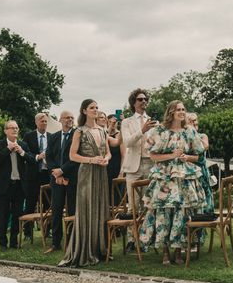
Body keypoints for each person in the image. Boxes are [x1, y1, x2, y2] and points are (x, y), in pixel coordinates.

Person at [140, 101, 206, 265]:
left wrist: (186, 157)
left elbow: (197, 156)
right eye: (178, 109)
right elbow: (153, 156)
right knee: (164, 213)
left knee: (182, 213)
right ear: (171, 112)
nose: (182, 112)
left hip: (184, 177)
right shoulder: (159, 131)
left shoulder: (189, 131)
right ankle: (165, 252)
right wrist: (172, 155)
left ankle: (178, 252)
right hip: (164, 178)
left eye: (184, 109)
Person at [59, 99, 111, 267]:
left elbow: (108, 152)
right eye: (92, 108)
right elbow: (72, 156)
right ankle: (85, 250)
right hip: (87, 173)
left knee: (101, 207)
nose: (95, 110)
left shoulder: (103, 130)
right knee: (87, 209)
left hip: (101, 172)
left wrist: (106, 160)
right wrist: (91, 160)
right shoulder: (79, 131)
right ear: (84, 111)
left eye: (97, 107)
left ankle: (100, 249)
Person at [120, 88, 157, 251]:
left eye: (145, 99)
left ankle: (145, 239)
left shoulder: (153, 122)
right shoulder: (127, 122)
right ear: (133, 103)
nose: (143, 102)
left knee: (148, 204)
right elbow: (127, 142)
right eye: (140, 99)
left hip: (150, 164)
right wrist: (142, 131)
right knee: (133, 205)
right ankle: (131, 239)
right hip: (133, 167)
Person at [0, 120, 35, 250]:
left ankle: (14, 242)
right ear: (5, 131)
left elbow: (32, 161)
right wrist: (7, 149)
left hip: (19, 186)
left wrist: (22, 152)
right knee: (3, 216)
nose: (15, 130)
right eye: (12, 128)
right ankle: (3, 244)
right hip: (3, 186)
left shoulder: (23, 145)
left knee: (17, 215)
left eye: (16, 128)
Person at [45, 110, 78, 253]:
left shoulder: (77, 135)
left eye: (71, 118)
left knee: (71, 210)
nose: (69, 120)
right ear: (60, 120)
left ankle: (71, 242)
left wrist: (62, 171)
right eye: (67, 118)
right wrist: (56, 173)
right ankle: (55, 243)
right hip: (57, 180)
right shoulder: (53, 137)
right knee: (56, 210)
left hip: (71, 178)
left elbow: (75, 157)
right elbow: (49, 156)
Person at [22, 113, 51, 240]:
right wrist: (37, 157)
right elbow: (25, 153)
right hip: (33, 175)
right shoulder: (29, 136)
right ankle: (27, 232)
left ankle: (47, 231)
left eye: (45, 121)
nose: (44, 123)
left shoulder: (51, 137)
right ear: (36, 122)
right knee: (30, 203)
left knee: (48, 204)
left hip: (47, 175)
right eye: (41, 121)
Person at [186, 112, 214, 214]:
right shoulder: (185, 137)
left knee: (205, 196)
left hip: (202, 172)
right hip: (189, 171)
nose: (194, 122)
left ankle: (207, 217)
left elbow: (204, 147)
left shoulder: (202, 136)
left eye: (195, 120)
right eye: (191, 120)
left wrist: (193, 132)